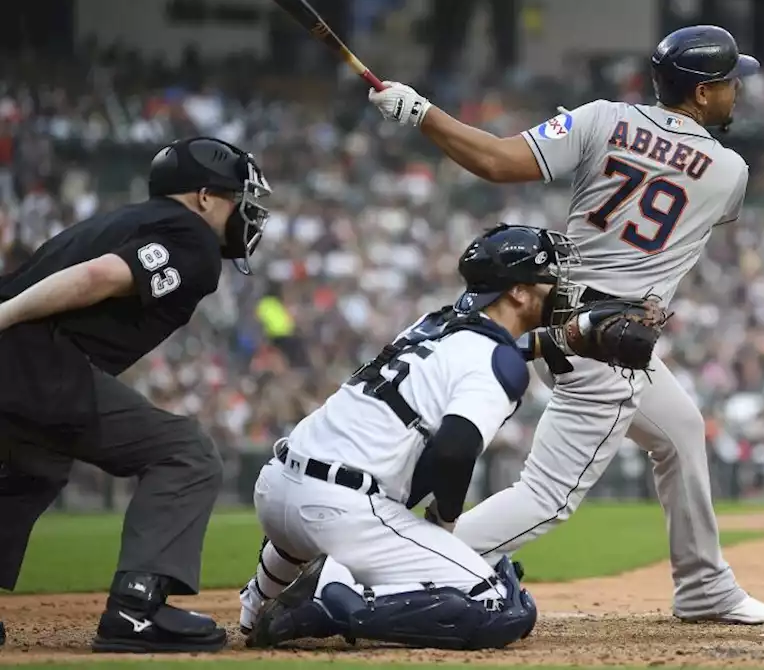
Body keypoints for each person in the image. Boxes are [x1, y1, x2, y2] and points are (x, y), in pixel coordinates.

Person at [364, 24, 764, 624]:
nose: (735, 92)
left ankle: (705, 587)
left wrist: (421, 112)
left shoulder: (601, 118)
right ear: (699, 94)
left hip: (560, 308)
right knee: (547, 495)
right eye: (726, 83)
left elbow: (497, 160)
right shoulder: (729, 172)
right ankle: (381, 564)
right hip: (611, 338)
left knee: (680, 432)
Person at [239, 225, 583, 650]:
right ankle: (330, 601)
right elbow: (454, 450)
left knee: (349, 504)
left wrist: (564, 338)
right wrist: (443, 524)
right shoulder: (498, 364)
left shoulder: (432, 322)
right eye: (550, 279)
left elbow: (486, 349)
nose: (560, 288)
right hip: (339, 511)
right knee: (501, 605)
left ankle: (256, 603)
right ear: (518, 291)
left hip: (277, 490)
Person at [0, 136, 272, 653]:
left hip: (21, 364)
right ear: (205, 197)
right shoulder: (192, 237)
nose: (246, 212)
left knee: (38, 464)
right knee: (186, 453)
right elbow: (101, 276)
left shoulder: (121, 220)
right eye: (239, 198)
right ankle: (136, 609)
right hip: (33, 363)